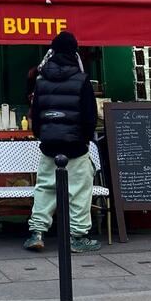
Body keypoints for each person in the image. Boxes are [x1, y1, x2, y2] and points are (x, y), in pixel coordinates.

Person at [24, 31, 100, 253]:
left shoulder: (41, 80)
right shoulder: (82, 80)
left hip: (49, 145)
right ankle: (77, 236)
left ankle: (37, 233)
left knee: (45, 188)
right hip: (75, 146)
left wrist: (42, 136)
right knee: (79, 191)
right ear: (74, 52)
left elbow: (35, 114)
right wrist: (85, 139)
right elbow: (90, 117)